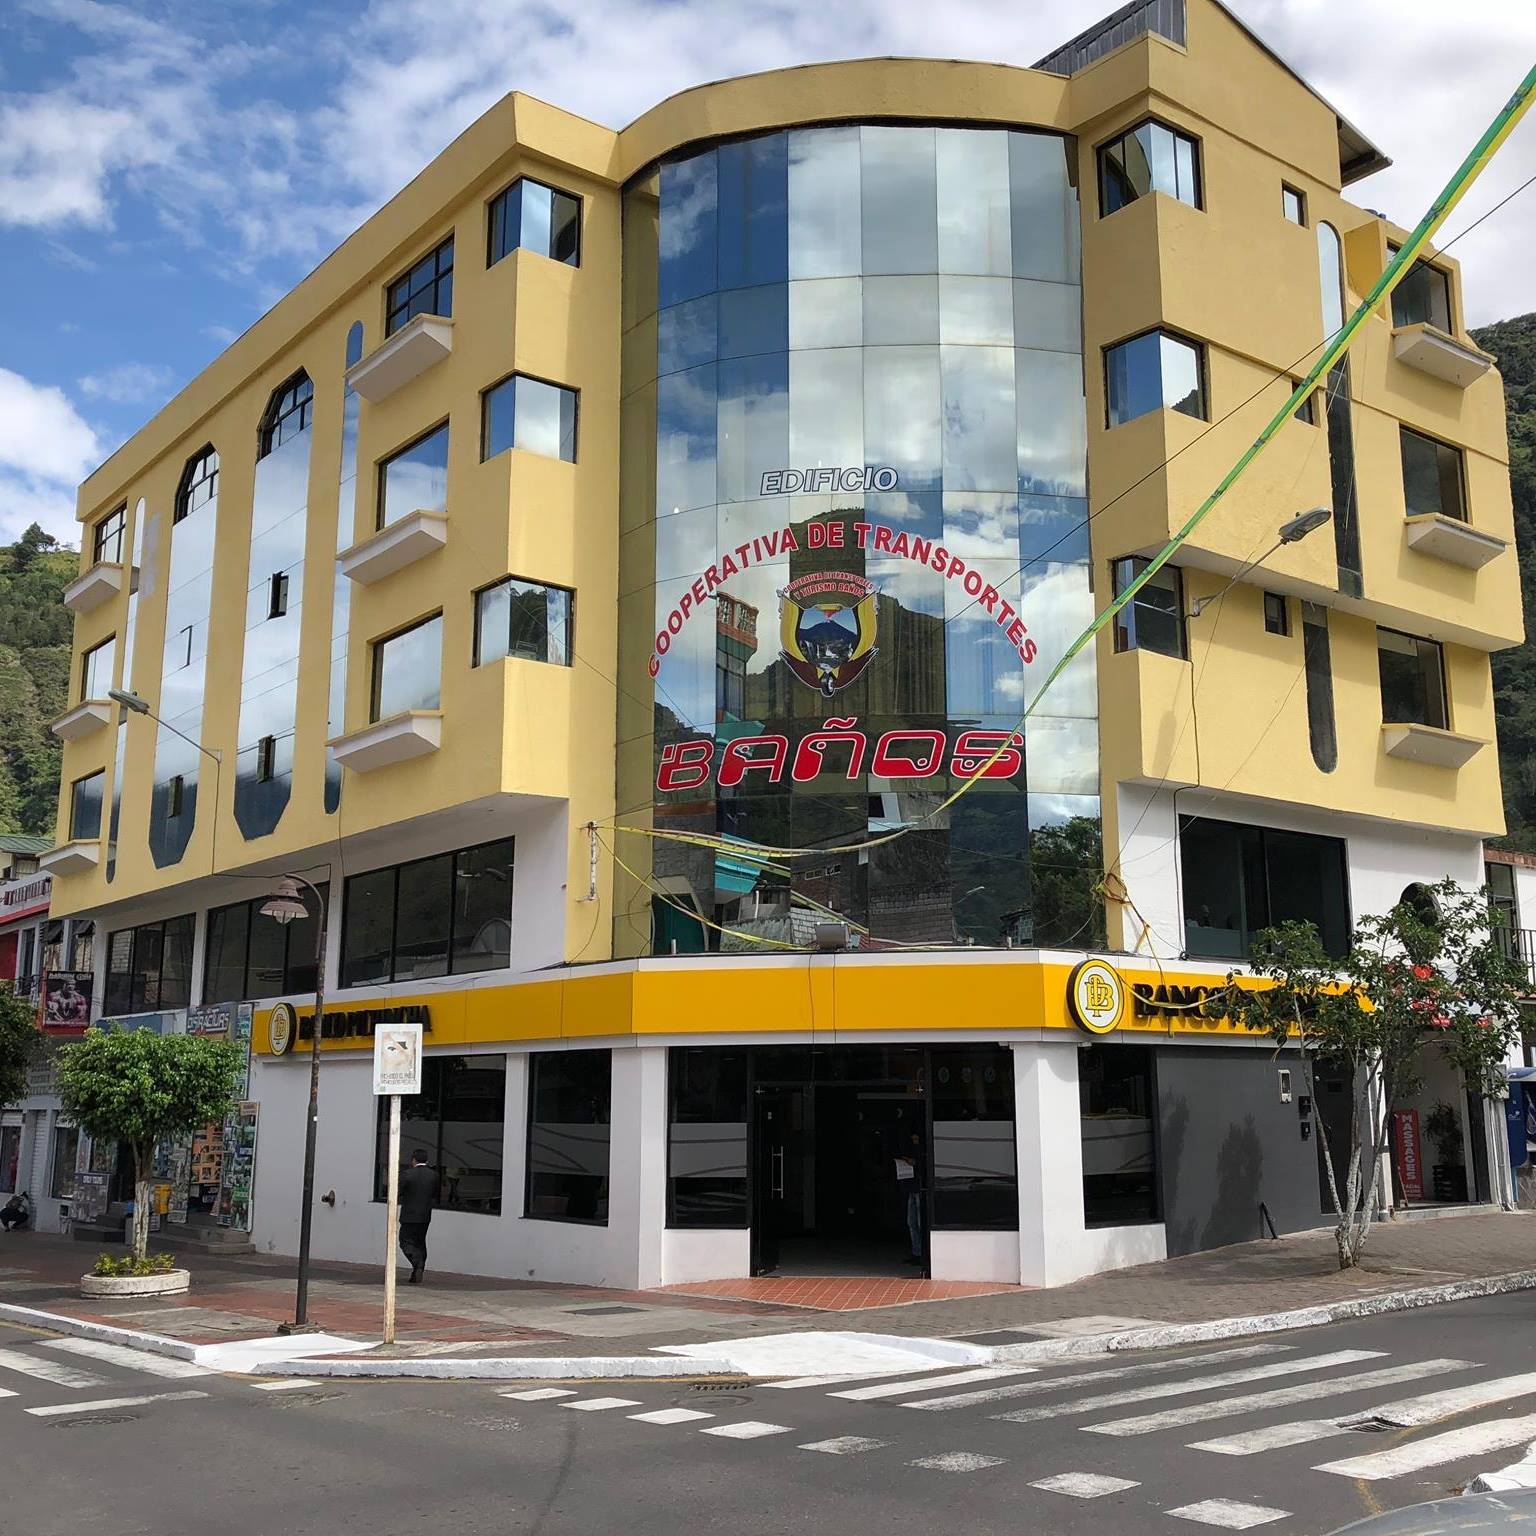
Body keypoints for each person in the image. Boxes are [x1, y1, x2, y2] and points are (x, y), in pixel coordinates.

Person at [397, 1150, 437, 1284]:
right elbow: (435, 1194)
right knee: (420, 1242)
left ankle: (417, 1263)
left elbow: (398, 1191)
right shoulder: (433, 1175)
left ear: (413, 1160)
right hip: (425, 1215)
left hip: (409, 1215)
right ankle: (418, 1270)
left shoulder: (407, 1174)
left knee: (405, 1241)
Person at [896, 1132, 926, 1268]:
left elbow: (923, 1165)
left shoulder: (923, 1149)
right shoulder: (910, 1148)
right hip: (912, 1188)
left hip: (919, 1189)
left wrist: (914, 1162)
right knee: (912, 1223)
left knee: (919, 1223)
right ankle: (917, 1253)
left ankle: (923, 1254)